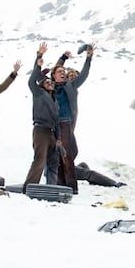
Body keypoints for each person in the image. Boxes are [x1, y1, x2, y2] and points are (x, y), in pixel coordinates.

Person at [49, 43, 95, 194]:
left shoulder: (70, 85)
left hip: (68, 123)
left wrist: (89, 57)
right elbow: (54, 69)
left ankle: (62, 182)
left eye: (64, 71)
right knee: (66, 155)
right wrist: (62, 58)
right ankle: (70, 186)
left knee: (71, 152)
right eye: (60, 71)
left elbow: (84, 74)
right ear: (55, 75)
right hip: (58, 124)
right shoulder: (50, 86)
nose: (63, 73)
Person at [23, 42, 62, 191]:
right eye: (47, 82)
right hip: (40, 130)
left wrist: (58, 138)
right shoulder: (39, 94)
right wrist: (39, 58)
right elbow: (32, 80)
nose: (50, 83)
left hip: (51, 132)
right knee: (39, 160)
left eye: (51, 82)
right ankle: (30, 186)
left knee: (53, 162)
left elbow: (57, 120)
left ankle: (51, 187)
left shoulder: (55, 100)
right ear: (42, 85)